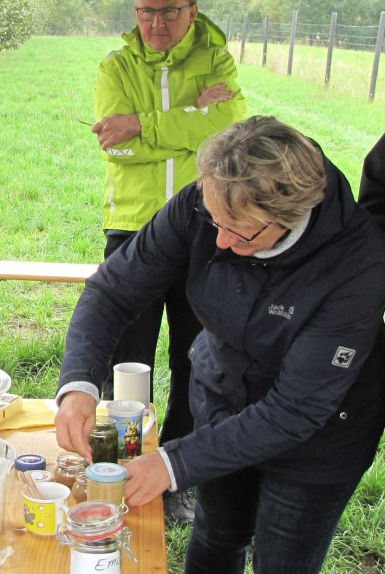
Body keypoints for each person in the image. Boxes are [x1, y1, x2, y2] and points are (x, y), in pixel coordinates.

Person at [57, 116, 385, 574]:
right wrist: (78, 386)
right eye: (214, 220)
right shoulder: (211, 201)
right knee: (216, 535)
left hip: (320, 436)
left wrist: (171, 465)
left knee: (283, 560)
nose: (220, 241)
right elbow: (113, 290)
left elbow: (296, 409)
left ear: (288, 218)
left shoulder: (357, 263)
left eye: (240, 232)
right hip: (225, 397)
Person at [90, 0, 245, 519]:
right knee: (127, 355)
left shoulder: (217, 62)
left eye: (169, 11)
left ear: (192, 12)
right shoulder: (116, 66)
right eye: (146, 12)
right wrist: (190, 120)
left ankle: (177, 473)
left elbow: (228, 131)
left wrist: (144, 124)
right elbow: (115, 148)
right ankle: (117, 464)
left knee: (196, 356)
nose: (156, 23)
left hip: (208, 225)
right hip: (132, 227)